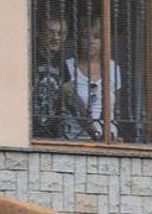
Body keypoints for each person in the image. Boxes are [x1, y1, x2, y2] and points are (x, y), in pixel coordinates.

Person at [61, 15, 122, 141]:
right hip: (73, 138)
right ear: (78, 39)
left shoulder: (113, 67)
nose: (91, 41)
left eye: (97, 37)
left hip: (108, 139)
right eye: (85, 36)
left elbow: (116, 109)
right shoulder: (67, 66)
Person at [32, 8, 70, 139]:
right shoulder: (28, 56)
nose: (56, 38)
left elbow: (70, 96)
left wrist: (95, 133)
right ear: (38, 32)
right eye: (51, 32)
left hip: (51, 136)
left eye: (61, 33)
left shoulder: (60, 61)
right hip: (27, 136)